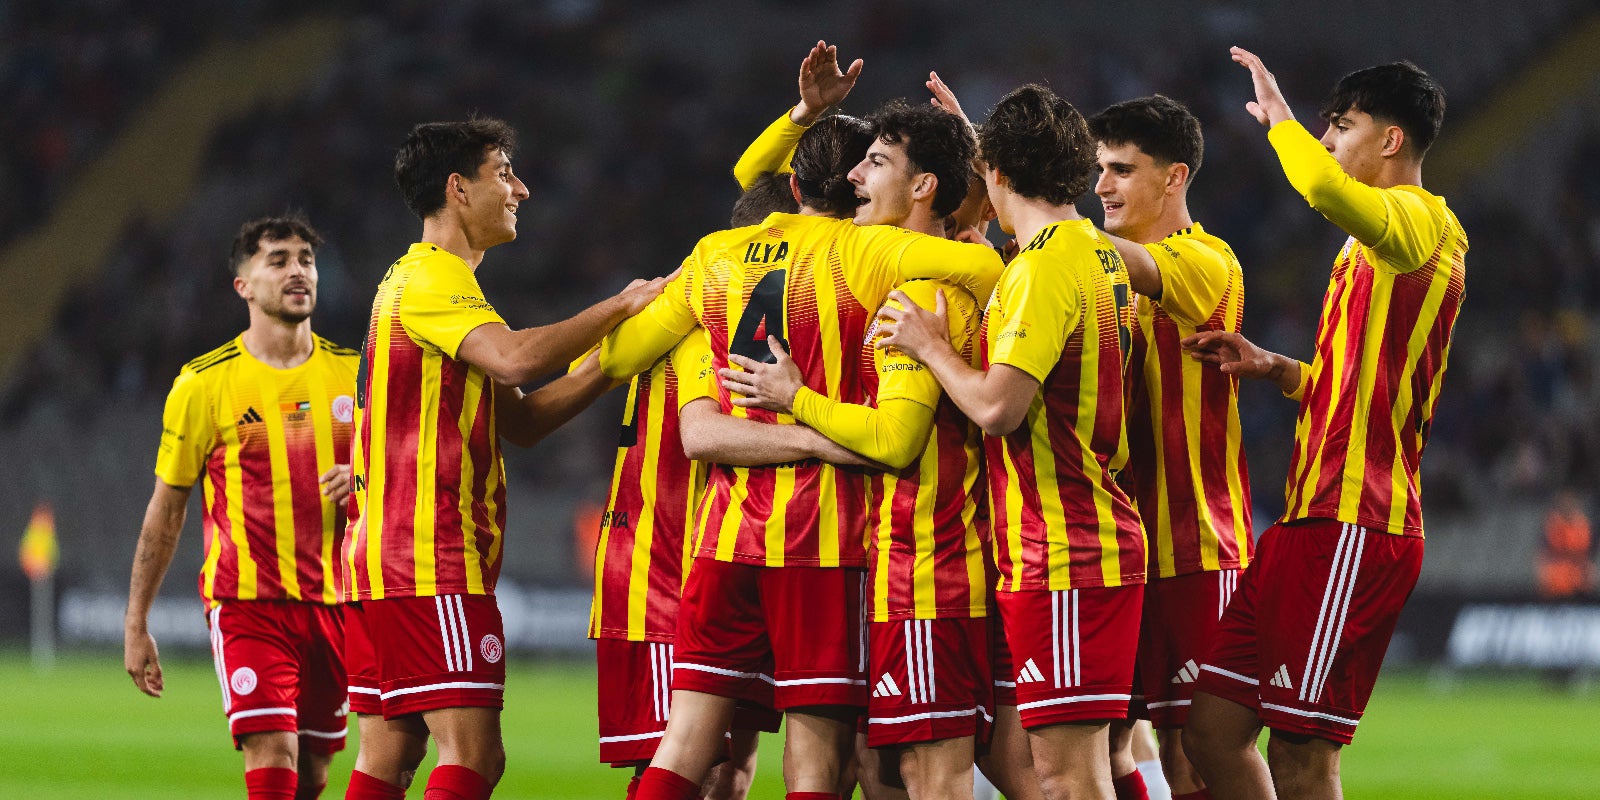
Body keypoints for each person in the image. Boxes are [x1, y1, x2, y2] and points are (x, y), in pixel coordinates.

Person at [598, 50, 1005, 799]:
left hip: (722, 537)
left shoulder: (716, 255)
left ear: (791, 182)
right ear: (856, 184)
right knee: (822, 763)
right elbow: (991, 272)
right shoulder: (869, 249)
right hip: (826, 535)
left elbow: (621, 355)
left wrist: (674, 323)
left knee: (684, 746)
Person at [341, 118, 668, 800]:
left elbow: (520, 420)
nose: (521, 188)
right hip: (427, 553)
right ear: (458, 190)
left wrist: (612, 364)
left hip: (380, 555)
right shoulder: (433, 278)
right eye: (504, 173)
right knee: (474, 756)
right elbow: (516, 356)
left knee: (390, 753)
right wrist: (620, 306)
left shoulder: (420, 285)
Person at [1180, 51, 1468, 800]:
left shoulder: (1419, 223)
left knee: (1303, 760)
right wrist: (1281, 370)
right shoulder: (1376, 242)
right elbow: (1362, 388)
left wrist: (1279, 121)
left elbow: (1319, 185)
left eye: (1342, 126)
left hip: (1355, 520)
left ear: (1392, 140)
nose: (1328, 139)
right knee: (1209, 730)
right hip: (1310, 519)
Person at [720, 99, 1000, 800]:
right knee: (892, 767)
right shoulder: (929, 264)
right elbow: (760, 182)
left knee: (937, 772)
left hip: (932, 559)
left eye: (874, 163)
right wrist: (806, 112)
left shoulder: (921, 290)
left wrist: (796, 400)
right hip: (902, 559)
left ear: (925, 186)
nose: (851, 177)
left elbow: (898, 440)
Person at [875, 84, 1144, 800]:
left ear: (993, 171)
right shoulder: (1096, 252)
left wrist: (931, 347)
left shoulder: (1042, 267)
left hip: (1066, 546)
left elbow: (996, 407)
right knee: (1036, 770)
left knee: (1069, 780)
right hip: (1076, 540)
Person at [586, 181, 812, 800]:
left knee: (734, 767)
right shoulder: (702, 327)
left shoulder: (749, 325)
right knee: (691, 759)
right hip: (661, 577)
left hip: (735, 561)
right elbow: (706, 435)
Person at [124, 215, 358, 800]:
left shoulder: (356, 375)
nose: (297, 270)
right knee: (273, 751)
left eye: (306, 258)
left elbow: (402, 478)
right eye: (277, 260)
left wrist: (363, 481)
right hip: (248, 604)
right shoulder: (203, 385)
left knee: (313, 775)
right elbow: (167, 509)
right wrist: (136, 623)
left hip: (339, 604)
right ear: (244, 286)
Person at [1085, 94, 1251, 800]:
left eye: (1120, 169)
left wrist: (1017, 182)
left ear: (1174, 177)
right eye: (1096, 169)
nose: (1100, 187)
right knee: (1102, 743)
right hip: (1111, 552)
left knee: (1194, 762)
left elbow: (1083, 250)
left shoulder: (1206, 261)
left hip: (1193, 549)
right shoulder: (1089, 270)